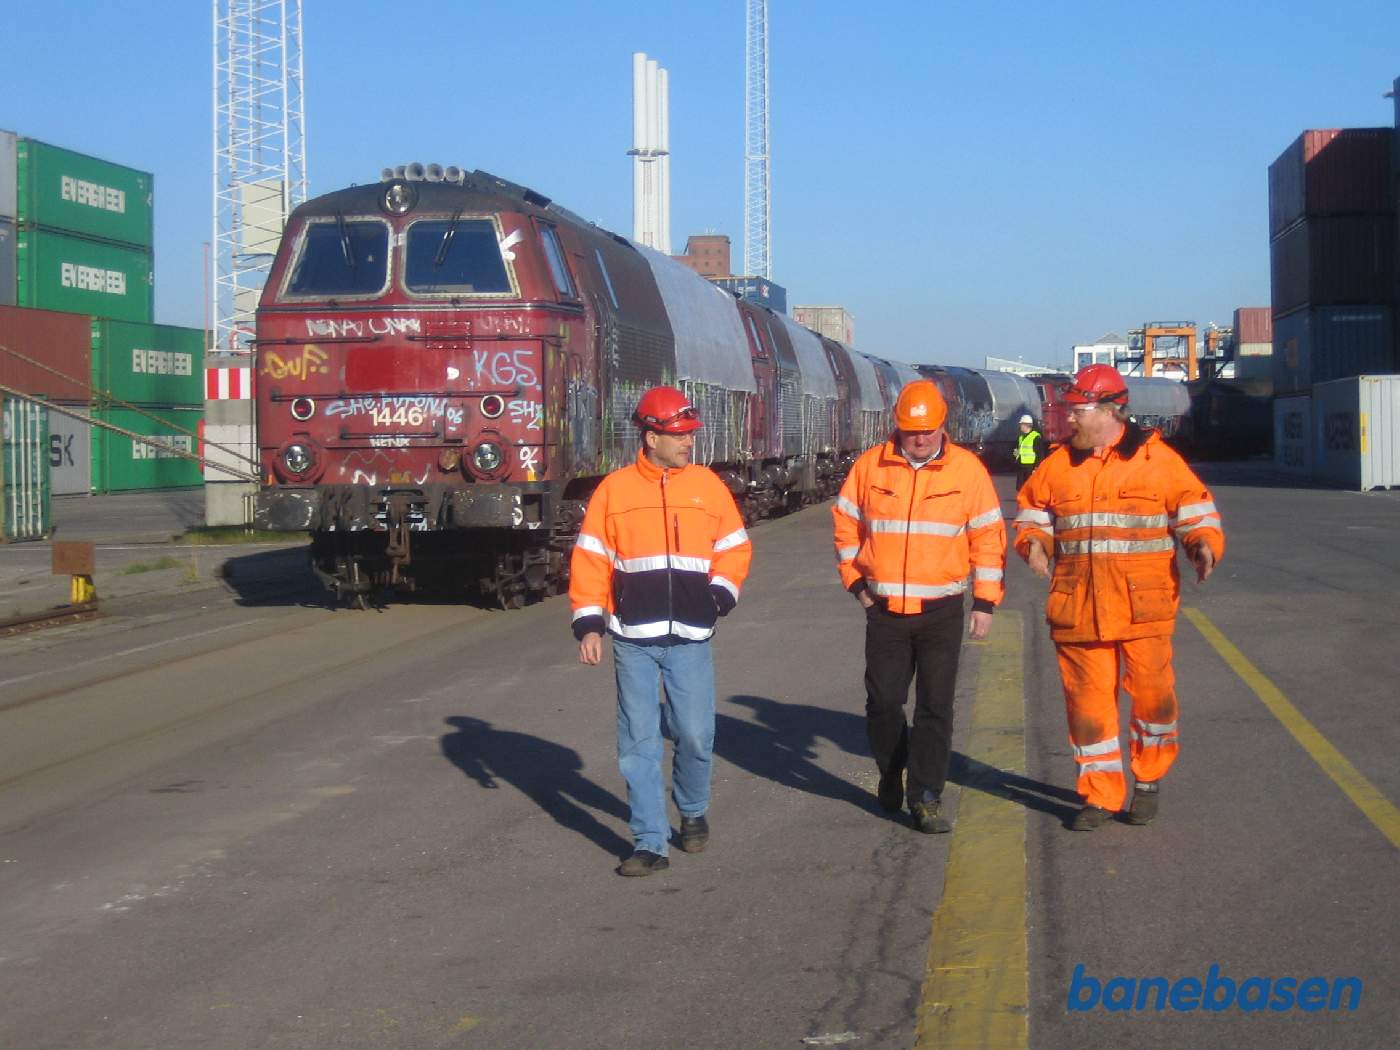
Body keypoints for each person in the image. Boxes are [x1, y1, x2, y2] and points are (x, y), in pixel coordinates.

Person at [1013, 365, 1225, 830]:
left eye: (1078, 410)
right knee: (1088, 708)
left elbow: (1194, 510)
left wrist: (1202, 544)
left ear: (1110, 410)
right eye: (1069, 410)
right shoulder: (1057, 465)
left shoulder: (1158, 461)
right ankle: (1100, 796)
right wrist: (1034, 543)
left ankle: (1147, 780)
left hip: (1143, 606)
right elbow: (1032, 513)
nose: (1069, 419)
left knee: (1153, 700)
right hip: (1078, 608)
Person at [569, 386, 753, 876]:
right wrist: (589, 623)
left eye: (691, 435)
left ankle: (692, 810)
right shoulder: (615, 490)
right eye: (680, 435)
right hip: (633, 637)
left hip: (691, 636)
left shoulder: (708, 486)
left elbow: (735, 547)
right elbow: (591, 559)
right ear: (651, 438)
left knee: (694, 734)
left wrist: (720, 594)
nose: (690, 443)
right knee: (638, 743)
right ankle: (649, 842)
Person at [833, 380, 1007, 833]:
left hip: (942, 610)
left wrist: (984, 602)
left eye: (929, 430)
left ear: (942, 426)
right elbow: (846, 528)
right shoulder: (871, 468)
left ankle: (926, 794)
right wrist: (857, 584)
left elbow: (988, 537)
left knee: (936, 706)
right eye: (913, 431)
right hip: (885, 609)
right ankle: (892, 771)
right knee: (884, 703)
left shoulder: (967, 472)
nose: (921, 438)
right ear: (898, 427)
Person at [1015, 413, 1049, 490]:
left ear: (1027, 425)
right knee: (1020, 487)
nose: (1020, 426)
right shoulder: (1021, 437)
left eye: (1021, 424)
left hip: (1030, 467)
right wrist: (1016, 455)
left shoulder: (1036, 437)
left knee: (1030, 487)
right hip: (1021, 466)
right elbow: (1018, 450)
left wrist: (1036, 468)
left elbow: (1040, 454)